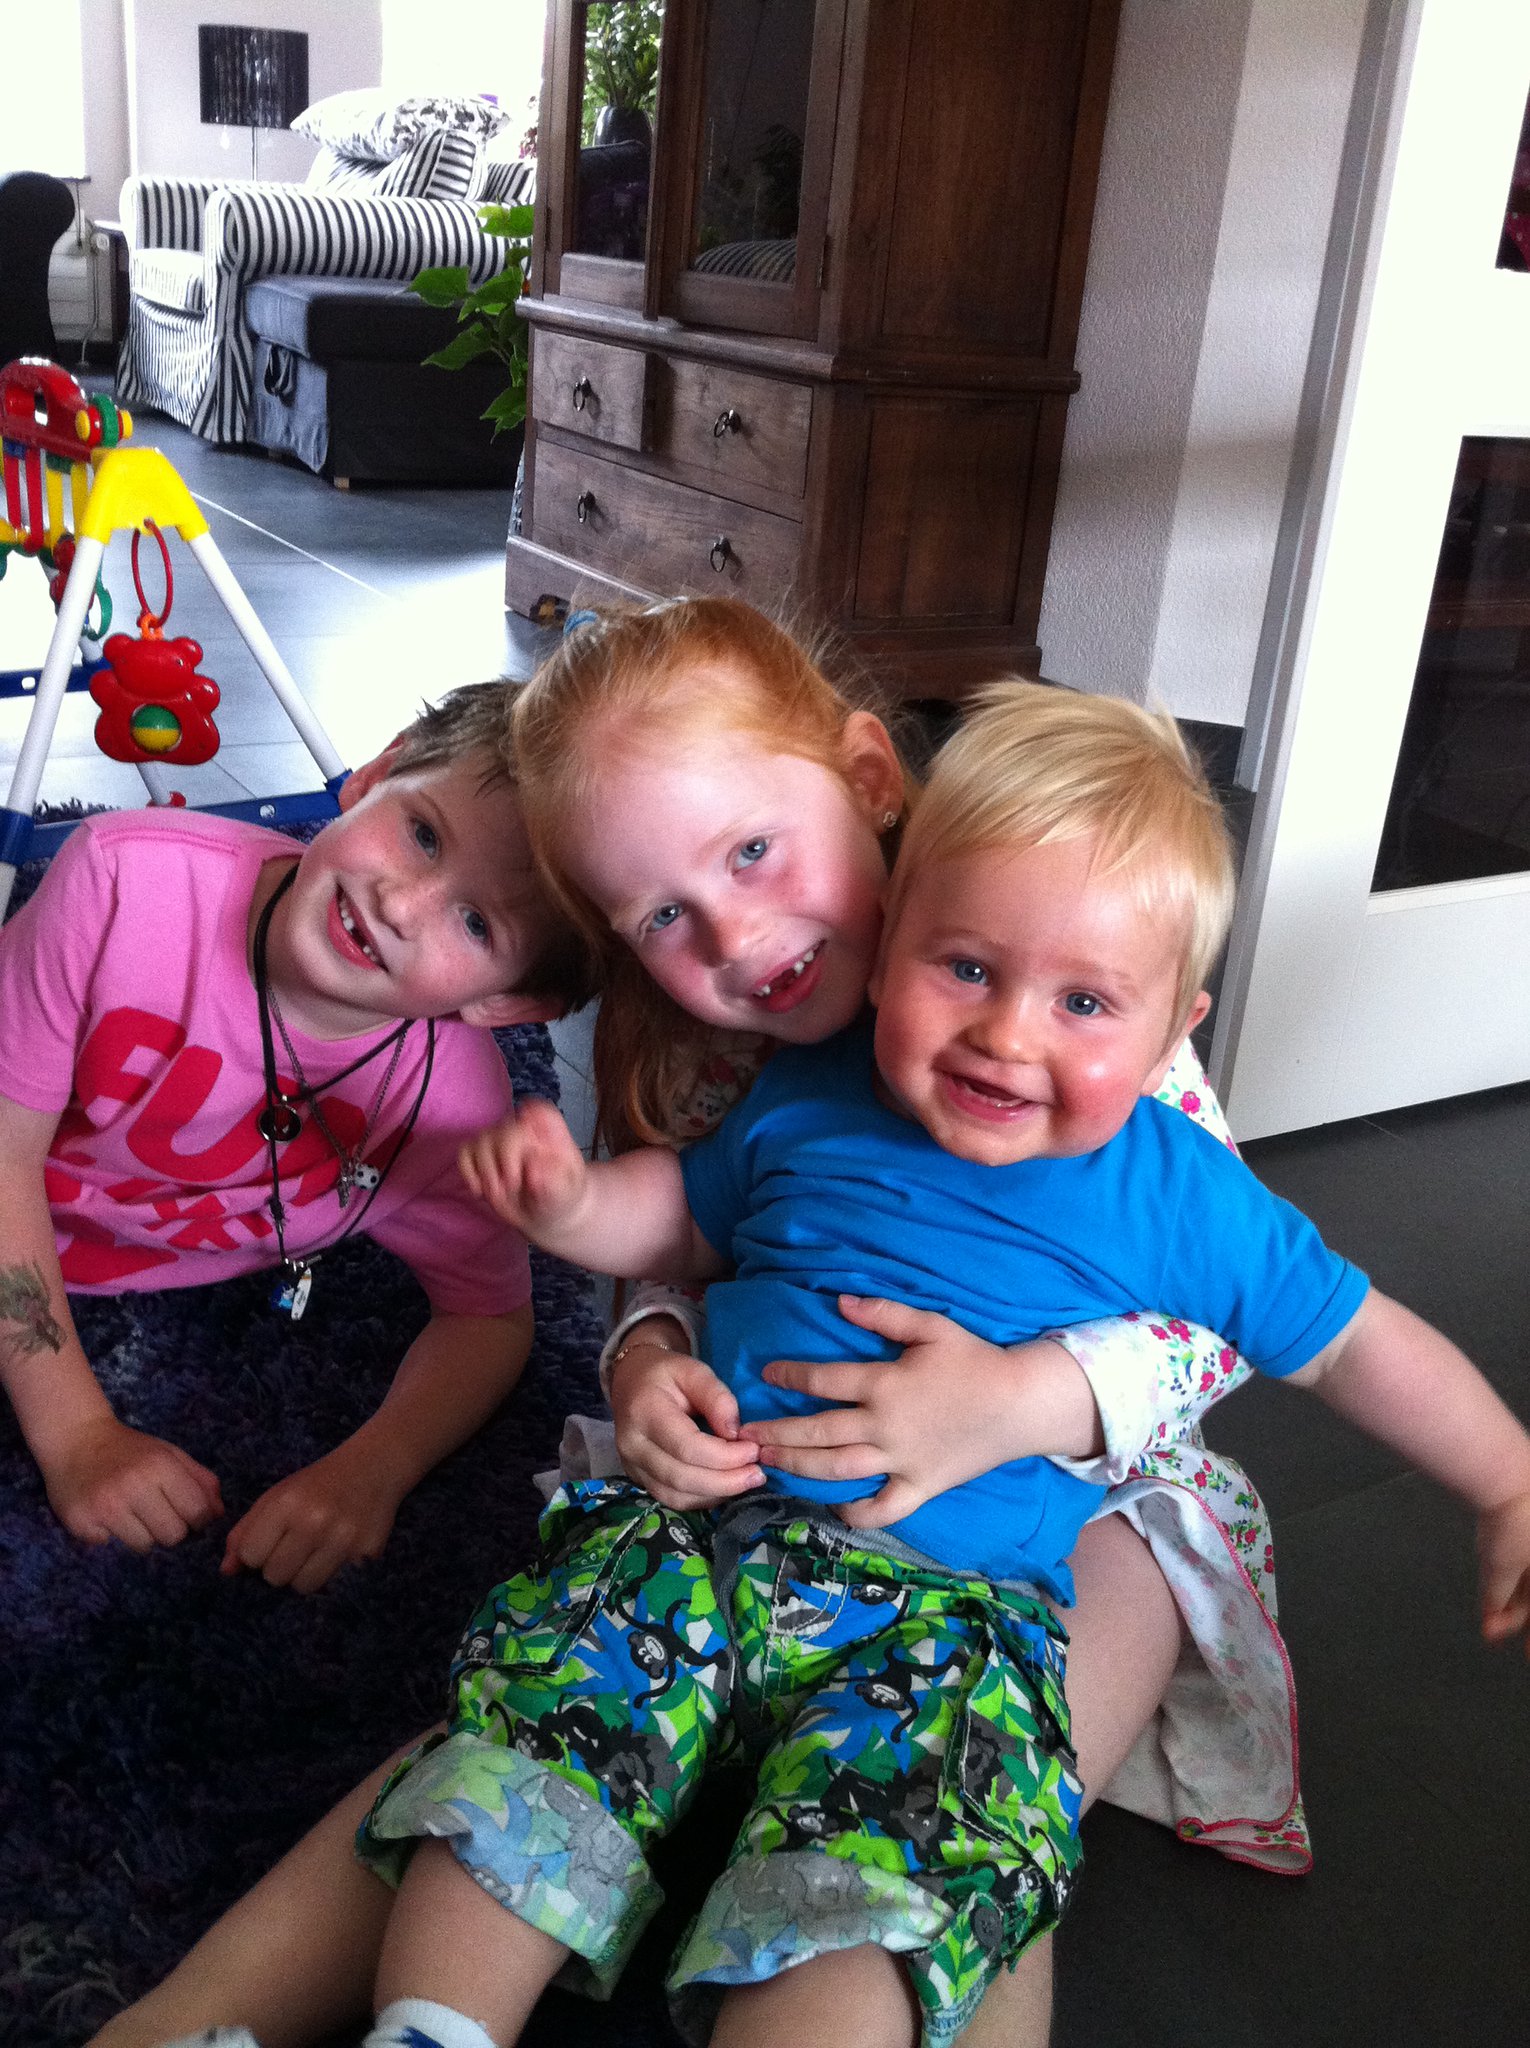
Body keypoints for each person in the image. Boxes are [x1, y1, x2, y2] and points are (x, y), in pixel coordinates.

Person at [88, 604, 1298, 2048]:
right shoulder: (707, 1044)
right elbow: (674, 1246)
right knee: (532, 1716)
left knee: (970, 1815)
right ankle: (191, 2018)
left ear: (867, 779)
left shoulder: (1045, 963)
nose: (733, 932)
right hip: (754, 1482)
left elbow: (1224, 1319)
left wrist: (1018, 1400)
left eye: (754, 850)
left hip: (1054, 1505)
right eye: (660, 917)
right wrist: (648, 1356)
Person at [363, 675, 1530, 2048]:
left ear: (1174, 1026)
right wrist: (572, 1206)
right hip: (689, 1538)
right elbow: (680, 1216)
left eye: (1083, 1001)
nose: (1007, 1033)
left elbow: (1354, 1347)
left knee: (881, 1884)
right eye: (964, 968)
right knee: (530, 1742)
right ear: (890, 941)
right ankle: (429, 2026)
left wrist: (1505, 1477)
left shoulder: (1180, 1190)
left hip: (949, 1615)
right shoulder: (807, 1089)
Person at [0, 682, 594, 1594]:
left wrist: (371, 1470)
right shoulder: (120, 882)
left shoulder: (450, 1110)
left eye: (476, 923)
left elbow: (489, 1318)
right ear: (380, 771)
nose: (402, 903)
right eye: (423, 834)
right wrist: (78, 1432)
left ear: (508, 1003)